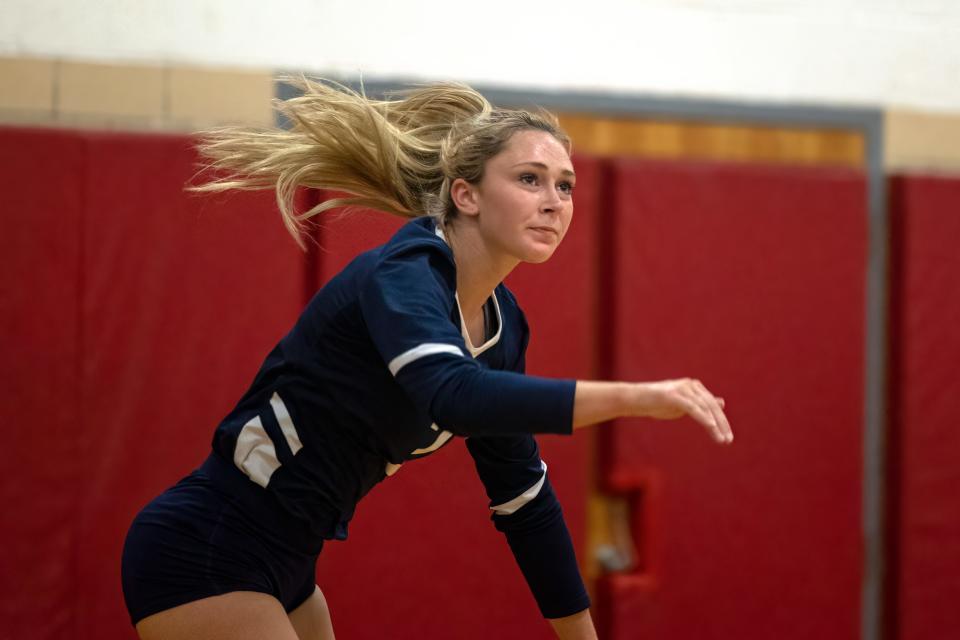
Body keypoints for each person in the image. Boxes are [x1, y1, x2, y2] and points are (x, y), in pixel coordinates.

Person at [120, 77, 733, 640]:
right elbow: (453, 394)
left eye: (565, 184)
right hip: (206, 544)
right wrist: (638, 398)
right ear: (465, 194)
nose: (555, 201)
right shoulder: (404, 274)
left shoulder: (503, 327)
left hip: (292, 563)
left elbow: (522, 497)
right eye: (530, 179)